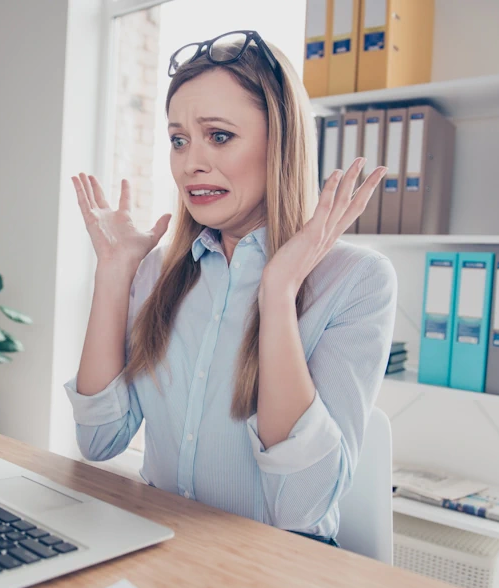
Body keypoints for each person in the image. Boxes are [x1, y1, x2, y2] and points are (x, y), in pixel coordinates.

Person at [64, 30, 398, 545]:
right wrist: (114, 272)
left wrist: (278, 291)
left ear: (279, 145)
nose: (189, 163)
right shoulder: (157, 275)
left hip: (275, 564)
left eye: (218, 136)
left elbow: (301, 504)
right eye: (179, 140)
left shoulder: (356, 281)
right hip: (164, 545)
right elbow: (99, 439)